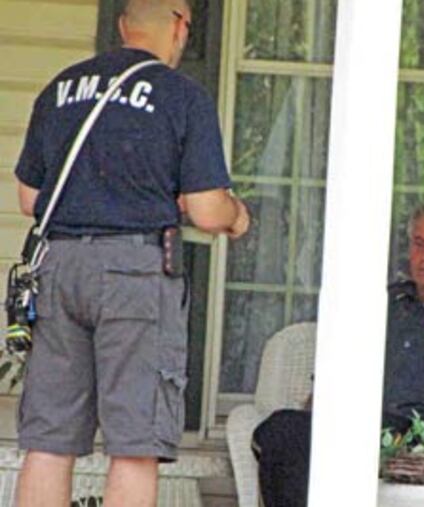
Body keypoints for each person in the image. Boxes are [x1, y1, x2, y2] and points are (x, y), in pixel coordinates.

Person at [13, 1, 250, 505]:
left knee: (49, 439)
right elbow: (207, 211)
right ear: (181, 26)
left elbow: (30, 198)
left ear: (122, 26)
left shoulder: (61, 87)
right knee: (135, 443)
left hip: (58, 267)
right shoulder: (181, 95)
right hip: (134, 275)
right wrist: (237, 215)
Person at [253, 200, 424, 507]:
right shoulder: (381, 304)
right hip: (357, 430)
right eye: (418, 244)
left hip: (422, 443)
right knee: (282, 430)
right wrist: (318, 420)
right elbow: (336, 374)